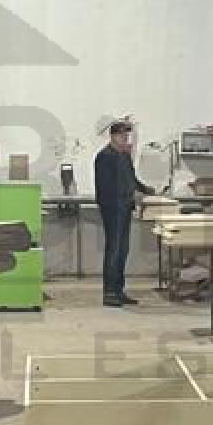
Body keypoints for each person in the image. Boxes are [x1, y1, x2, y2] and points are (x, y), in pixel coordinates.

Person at [94, 120, 154, 308]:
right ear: (112, 136)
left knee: (122, 250)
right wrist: (127, 195)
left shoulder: (124, 156)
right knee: (114, 249)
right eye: (121, 135)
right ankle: (110, 293)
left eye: (127, 135)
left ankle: (119, 290)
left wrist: (146, 190)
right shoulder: (104, 157)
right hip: (112, 209)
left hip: (125, 207)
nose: (125, 139)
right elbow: (104, 186)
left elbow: (131, 179)